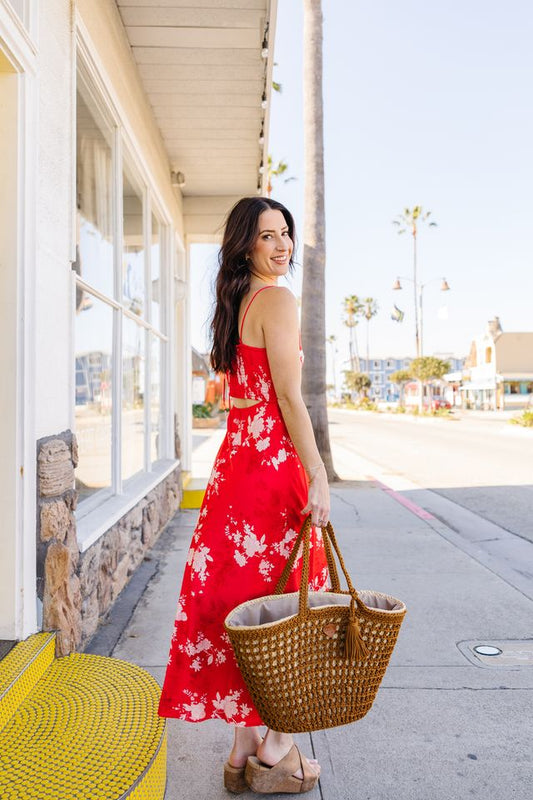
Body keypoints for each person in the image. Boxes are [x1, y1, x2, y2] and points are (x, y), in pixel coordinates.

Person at [158, 197, 330, 795]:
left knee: (243, 607)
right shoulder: (277, 301)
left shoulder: (233, 307)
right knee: (287, 606)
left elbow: (242, 399)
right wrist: (318, 473)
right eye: (268, 236)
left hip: (234, 473)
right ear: (245, 246)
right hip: (272, 473)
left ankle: (239, 750)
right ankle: (276, 749)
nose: (282, 245)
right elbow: (289, 398)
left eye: (285, 232)